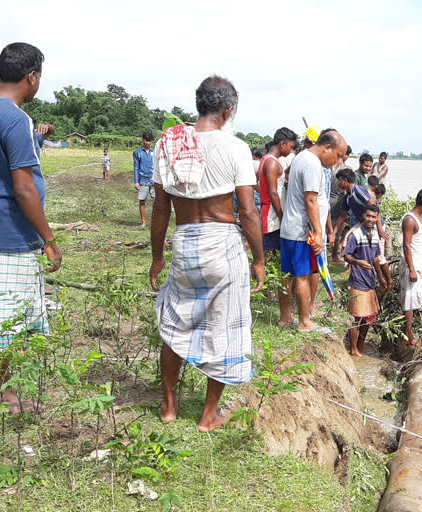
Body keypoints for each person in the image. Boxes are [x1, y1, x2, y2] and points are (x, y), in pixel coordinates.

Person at [149, 75, 265, 432]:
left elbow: (160, 210)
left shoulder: (167, 145)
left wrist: (157, 258)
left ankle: (169, 405)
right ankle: (208, 413)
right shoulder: (235, 148)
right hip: (222, 243)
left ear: (200, 104)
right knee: (224, 327)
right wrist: (259, 259)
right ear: (228, 111)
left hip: (185, 241)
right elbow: (247, 211)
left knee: (175, 325)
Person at [0, 42, 62, 412]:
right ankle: (3, 393)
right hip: (10, 236)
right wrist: (48, 238)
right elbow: (24, 186)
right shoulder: (15, 119)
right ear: (32, 77)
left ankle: (1, 387)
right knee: (7, 319)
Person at [280, 129, 347, 334]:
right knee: (302, 275)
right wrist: (318, 233)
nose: (336, 162)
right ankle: (304, 321)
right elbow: (310, 200)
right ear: (327, 147)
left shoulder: (301, 157)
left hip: (290, 227)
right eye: (337, 156)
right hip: (301, 231)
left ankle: (285, 316)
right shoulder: (312, 164)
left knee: (288, 274)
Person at [259, 127, 297, 327]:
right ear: (282, 143)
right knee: (278, 262)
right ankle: (273, 297)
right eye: (290, 147)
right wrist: (283, 217)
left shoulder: (266, 160)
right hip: (272, 217)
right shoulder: (272, 163)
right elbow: (273, 193)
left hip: (271, 215)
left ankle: (267, 292)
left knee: (271, 258)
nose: (290, 151)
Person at [343, 205, 392, 357]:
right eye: (368, 216)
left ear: (377, 218)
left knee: (368, 317)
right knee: (356, 317)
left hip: (370, 281)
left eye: (374, 217)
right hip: (357, 281)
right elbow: (346, 256)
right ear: (363, 215)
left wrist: (382, 279)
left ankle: (360, 345)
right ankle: (353, 349)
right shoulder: (355, 235)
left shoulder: (376, 234)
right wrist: (357, 262)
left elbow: (377, 258)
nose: (370, 219)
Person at [400, 188, 422, 346]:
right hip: (413, 267)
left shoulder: (421, 218)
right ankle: (408, 336)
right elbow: (406, 246)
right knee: (409, 301)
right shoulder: (410, 220)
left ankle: (408, 331)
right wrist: (412, 269)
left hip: (421, 265)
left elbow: (421, 242)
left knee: (416, 300)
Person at [330, 168, 389, 258]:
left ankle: (382, 272)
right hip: (364, 224)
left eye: (339, 180)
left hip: (375, 223)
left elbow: (374, 208)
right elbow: (341, 218)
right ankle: (353, 268)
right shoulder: (347, 198)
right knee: (352, 240)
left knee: (379, 257)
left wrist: (380, 229)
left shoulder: (358, 191)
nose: (338, 183)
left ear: (345, 180)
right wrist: (333, 234)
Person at [133, 131, 155, 227]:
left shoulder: (155, 152)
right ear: (143, 140)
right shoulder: (137, 152)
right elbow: (136, 167)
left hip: (154, 180)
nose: (148, 143)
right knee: (142, 201)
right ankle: (143, 222)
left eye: (150, 141)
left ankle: (156, 221)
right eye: (146, 141)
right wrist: (136, 181)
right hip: (143, 180)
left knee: (157, 202)